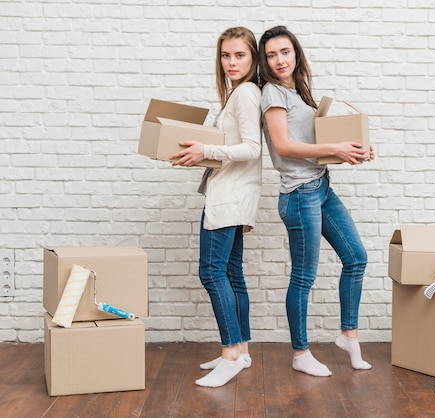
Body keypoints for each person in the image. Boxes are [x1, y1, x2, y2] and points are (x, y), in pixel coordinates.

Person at [258, 25, 374, 377]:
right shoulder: (273, 94)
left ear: (296, 53)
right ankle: (300, 353)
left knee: (356, 258)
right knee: (304, 277)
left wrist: (354, 148)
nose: (280, 60)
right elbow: (283, 146)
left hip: (321, 187)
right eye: (272, 55)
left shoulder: (300, 92)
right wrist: (333, 148)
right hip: (299, 196)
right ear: (265, 61)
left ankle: (348, 335)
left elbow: (315, 140)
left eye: (285, 51)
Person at [170, 26, 262, 387]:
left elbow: (253, 148)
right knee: (231, 273)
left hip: (229, 197)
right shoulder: (238, 94)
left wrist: (206, 151)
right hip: (233, 193)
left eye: (239, 55)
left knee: (212, 272)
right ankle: (240, 350)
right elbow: (234, 147)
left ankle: (229, 356)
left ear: (252, 57)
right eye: (226, 55)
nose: (231, 62)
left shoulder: (245, 95)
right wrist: (201, 153)